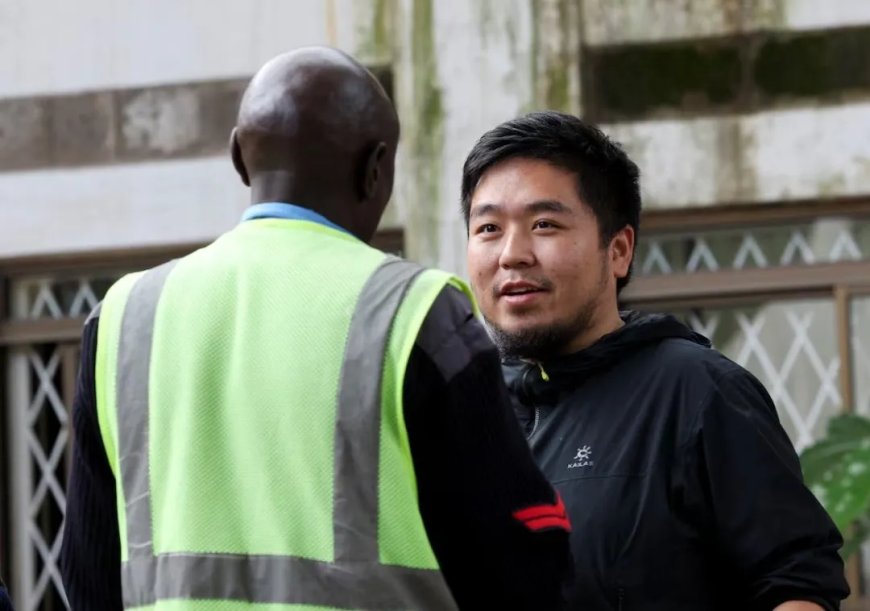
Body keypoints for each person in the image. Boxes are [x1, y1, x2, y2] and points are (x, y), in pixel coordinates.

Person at [60, 49, 571, 610]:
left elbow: (86, 571)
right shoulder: (413, 311)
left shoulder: (123, 319)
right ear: (375, 168)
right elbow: (520, 556)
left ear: (238, 158)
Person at [461, 110, 850, 610]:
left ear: (618, 250)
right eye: (488, 227)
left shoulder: (696, 392)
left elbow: (798, 584)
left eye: (544, 224)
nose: (511, 254)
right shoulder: (472, 415)